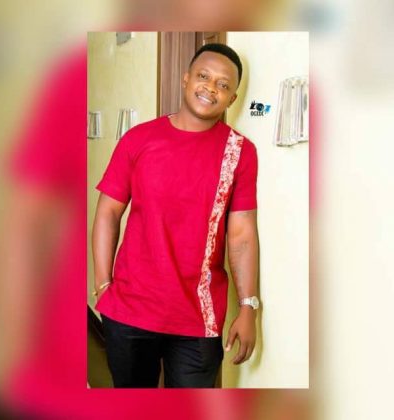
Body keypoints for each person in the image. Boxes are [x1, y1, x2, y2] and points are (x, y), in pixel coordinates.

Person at [92, 43, 259, 388]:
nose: (210, 88)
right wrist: (103, 283)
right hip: (130, 310)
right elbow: (108, 211)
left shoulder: (240, 152)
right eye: (203, 76)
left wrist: (248, 306)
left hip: (198, 319)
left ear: (232, 98)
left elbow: (242, 234)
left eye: (223, 85)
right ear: (185, 79)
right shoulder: (138, 139)